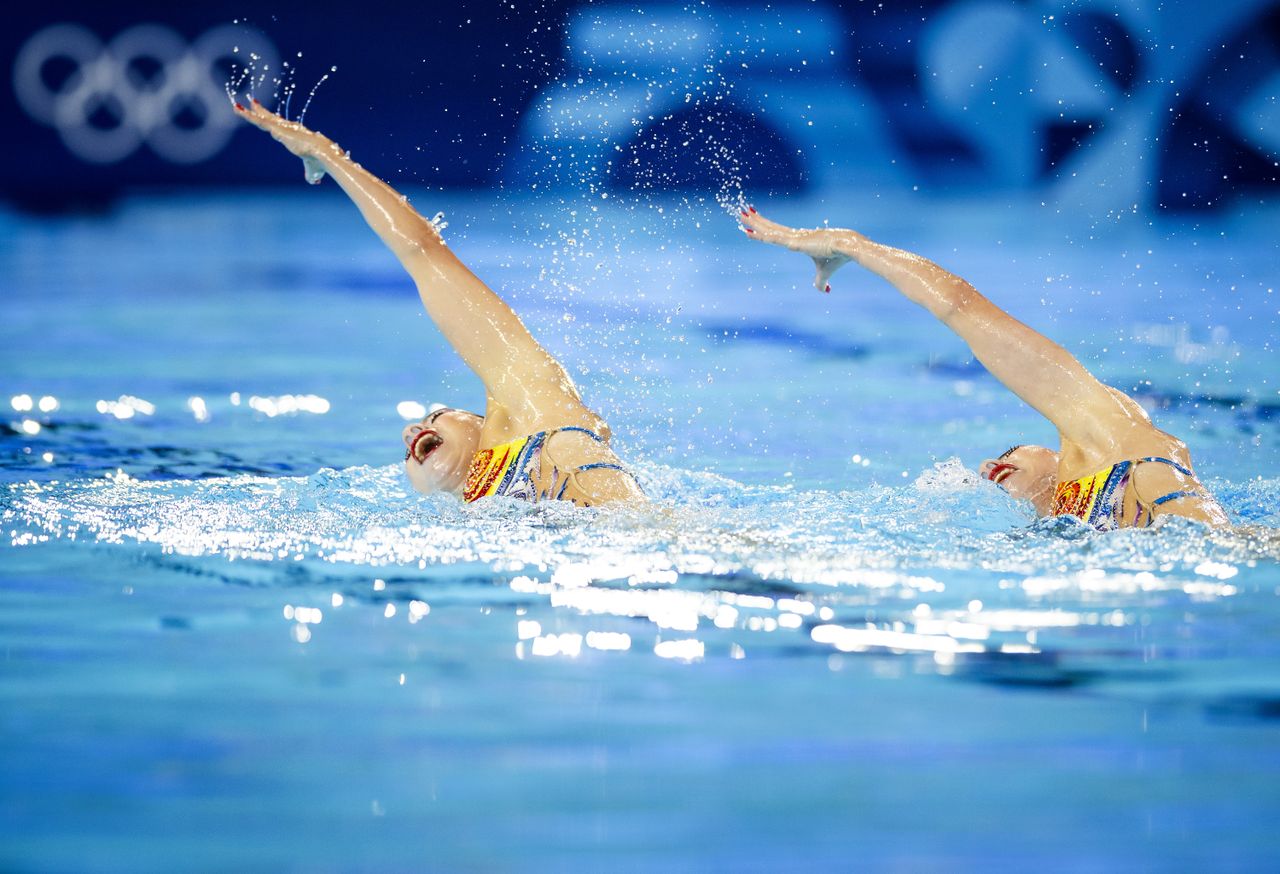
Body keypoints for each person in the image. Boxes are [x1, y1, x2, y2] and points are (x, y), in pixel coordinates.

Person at [234, 100, 643, 507]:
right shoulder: (477, 516)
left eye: (435, 416)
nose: (410, 432)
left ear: (482, 420)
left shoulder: (534, 407)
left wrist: (330, 157)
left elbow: (424, 253)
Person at [737, 207, 1228, 529]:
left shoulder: (1109, 440)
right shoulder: (1053, 530)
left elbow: (961, 308)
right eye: (996, 461)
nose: (990, 466)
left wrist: (852, 245)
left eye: (1011, 451)